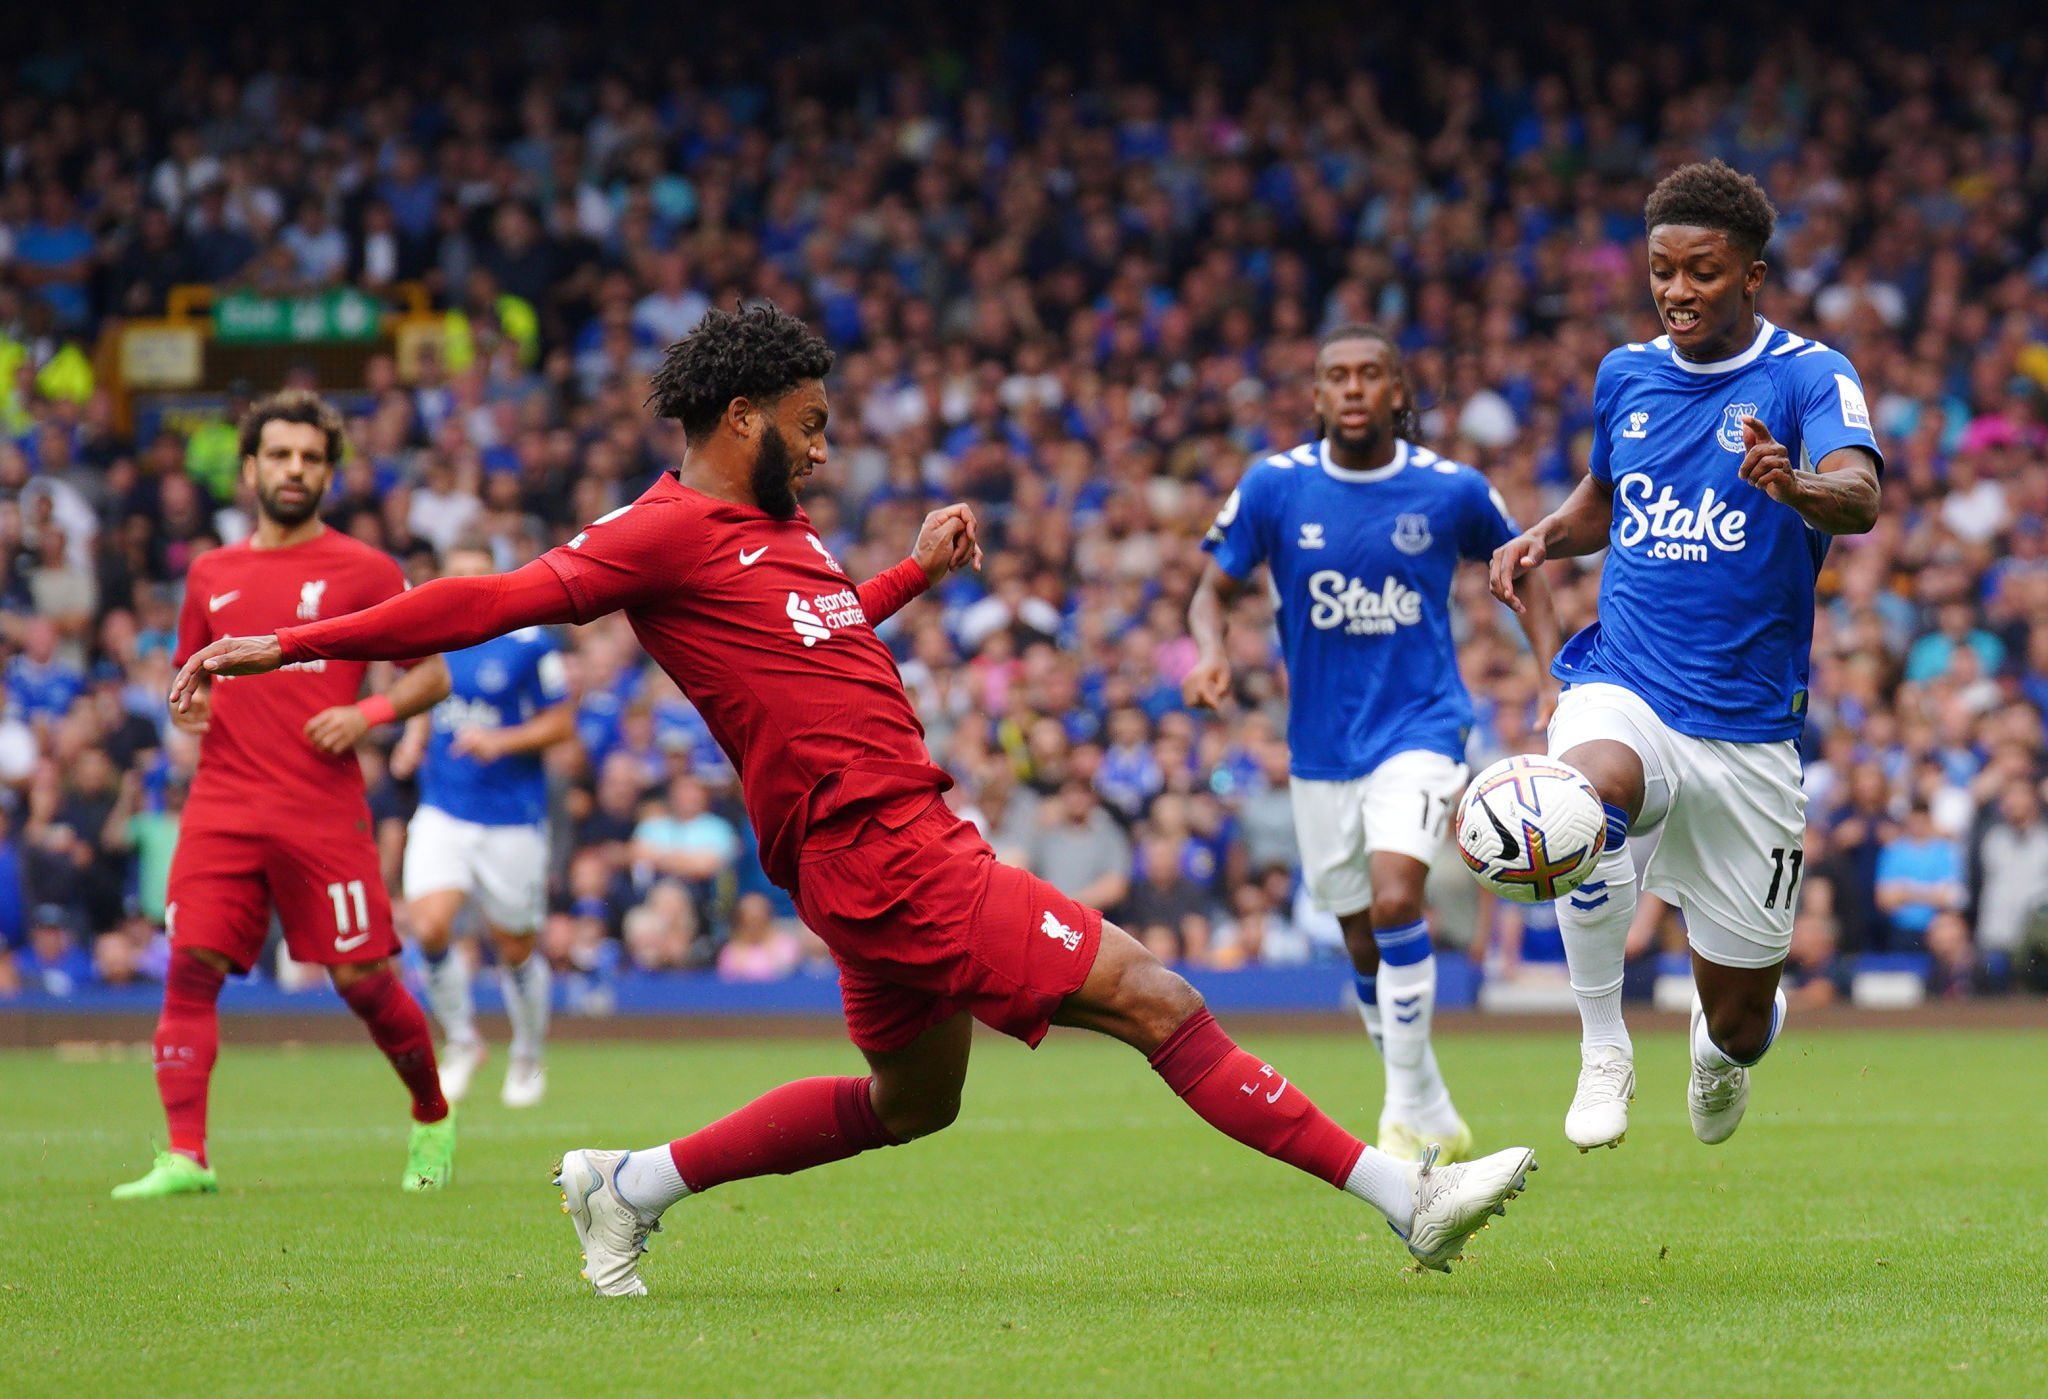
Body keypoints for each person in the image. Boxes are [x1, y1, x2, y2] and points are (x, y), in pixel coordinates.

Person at [175, 304, 1537, 1294]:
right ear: (743, 417)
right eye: (812, 425)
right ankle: (1403, 1196)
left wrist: (909, 579)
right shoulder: (662, 529)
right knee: (1156, 998)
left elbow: (815, 635)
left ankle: (626, 1183)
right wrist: (288, 644)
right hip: (882, 847)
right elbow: (489, 599)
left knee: (912, 1101)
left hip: (875, 848)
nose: (825, 450)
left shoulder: (780, 533)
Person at [1491, 161, 1883, 1151]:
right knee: (1579, 797)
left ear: (1751, 275)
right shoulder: (1623, 373)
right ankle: (1602, 1044)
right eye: (1661, 269)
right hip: (1625, 681)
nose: (1676, 290)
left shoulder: (1807, 375)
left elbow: (1861, 496)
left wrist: (1794, 485)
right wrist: (1545, 534)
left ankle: (1719, 1047)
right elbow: (1604, 495)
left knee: (1741, 1021)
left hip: (1747, 732)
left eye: (1701, 271)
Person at [1185, 324, 1561, 1163]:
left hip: (1421, 725)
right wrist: (1211, 651)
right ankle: (1432, 1105)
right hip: (1321, 750)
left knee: (1396, 900)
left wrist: (1548, 677)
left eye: (1370, 374)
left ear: (1398, 392)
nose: (1353, 388)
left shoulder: (1451, 489)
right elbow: (1210, 591)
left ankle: (1398, 1115)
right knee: (1360, 938)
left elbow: (1525, 571)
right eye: (1337, 376)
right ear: (1318, 395)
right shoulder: (1275, 486)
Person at [114, 390, 458, 1200]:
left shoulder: (368, 570)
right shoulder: (210, 573)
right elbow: (191, 675)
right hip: (223, 804)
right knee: (189, 967)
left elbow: (433, 675)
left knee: (363, 980)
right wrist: (188, 701)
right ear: (250, 469)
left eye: (310, 457)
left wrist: (366, 713)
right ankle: (186, 1156)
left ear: (329, 474)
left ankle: (432, 1114)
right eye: (279, 455)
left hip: (321, 809)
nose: (294, 469)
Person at [389, 534, 575, 1109]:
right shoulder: (428, 637)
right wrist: (414, 738)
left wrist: (501, 741)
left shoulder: (529, 643)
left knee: (514, 945)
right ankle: (463, 1042)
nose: (467, 584)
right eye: (458, 573)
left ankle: (528, 1053)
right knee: (428, 927)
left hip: (512, 818)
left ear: (496, 578)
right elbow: (425, 698)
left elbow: (561, 723)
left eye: (479, 573)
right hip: (444, 809)